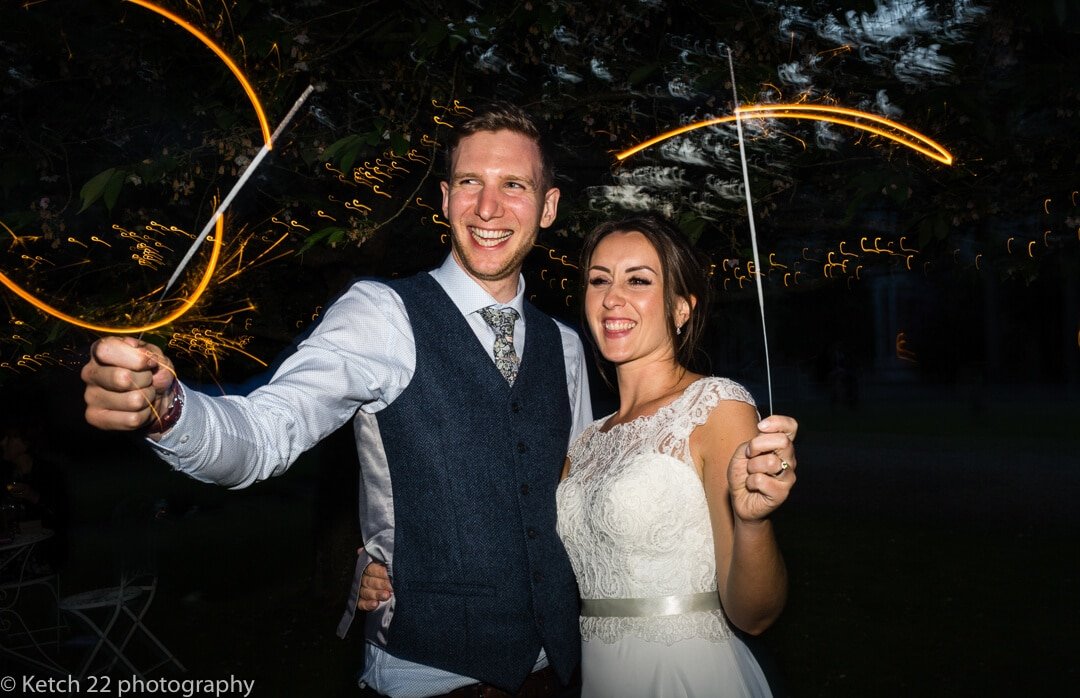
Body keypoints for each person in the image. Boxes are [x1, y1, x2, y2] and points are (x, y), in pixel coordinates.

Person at [80, 103, 593, 697]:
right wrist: (171, 410)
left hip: (556, 670)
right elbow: (268, 430)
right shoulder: (382, 315)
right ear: (446, 198)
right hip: (430, 675)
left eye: (515, 186)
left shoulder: (566, 346)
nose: (488, 207)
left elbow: (576, 500)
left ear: (548, 207)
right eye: (470, 183)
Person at [555, 214, 798, 697]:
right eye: (598, 280)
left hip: (687, 677)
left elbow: (755, 615)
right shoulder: (584, 441)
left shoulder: (716, 408)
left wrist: (753, 523)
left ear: (682, 308)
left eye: (638, 280)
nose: (611, 297)